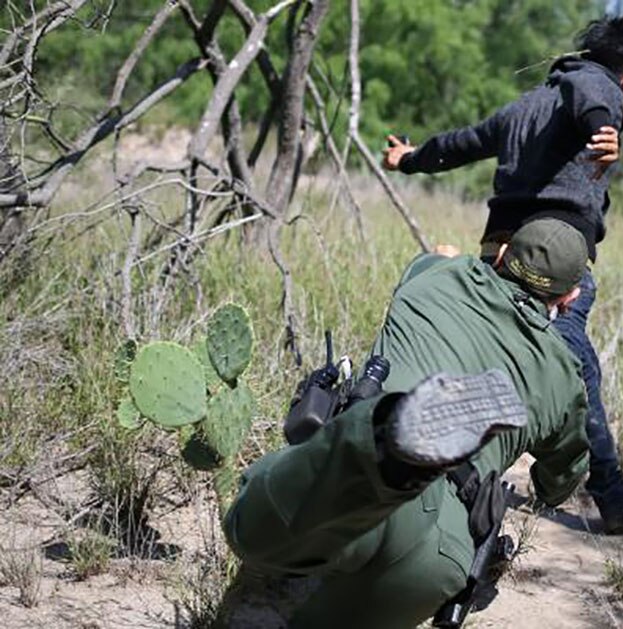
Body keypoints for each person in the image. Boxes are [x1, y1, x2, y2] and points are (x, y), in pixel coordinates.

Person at [223, 219, 591, 628]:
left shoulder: (436, 271)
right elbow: (558, 484)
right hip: (435, 553)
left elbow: (433, 262)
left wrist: (448, 258)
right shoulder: (565, 377)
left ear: (502, 255)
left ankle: (389, 445)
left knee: (251, 530)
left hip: (354, 472)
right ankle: (404, 453)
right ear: (570, 298)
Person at [382, 15, 623, 533]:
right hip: (550, 263)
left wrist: (410, 158)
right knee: (576, 368)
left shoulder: (524, 107)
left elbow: (462, 143)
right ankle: (612, 496)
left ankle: (438, 465)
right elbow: (592, 96)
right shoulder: (597, 83)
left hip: (496, 258)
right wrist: (605, 127)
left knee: (485, 358)